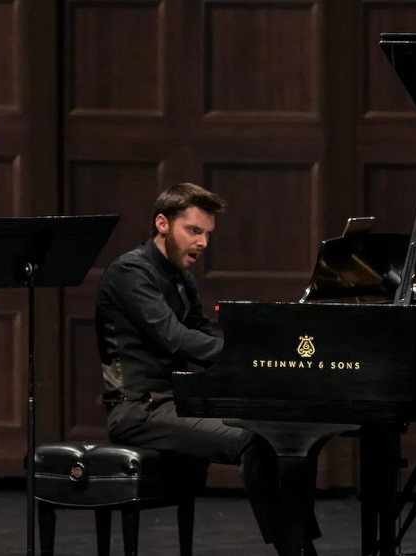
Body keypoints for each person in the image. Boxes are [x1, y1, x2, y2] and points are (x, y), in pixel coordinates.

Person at [94, 182, 319, 555]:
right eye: (194, 231)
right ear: (162, 224)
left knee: (287, 433)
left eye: (207, 234)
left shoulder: (181, 276)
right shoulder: (130, 272)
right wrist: (247, 358)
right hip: (139, 409)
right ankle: (294, 549)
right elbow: (175, 338)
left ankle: (298, 540)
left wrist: (257, 350)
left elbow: (202, 334)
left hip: (179, 402)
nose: (202, 243)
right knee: (255, 440)